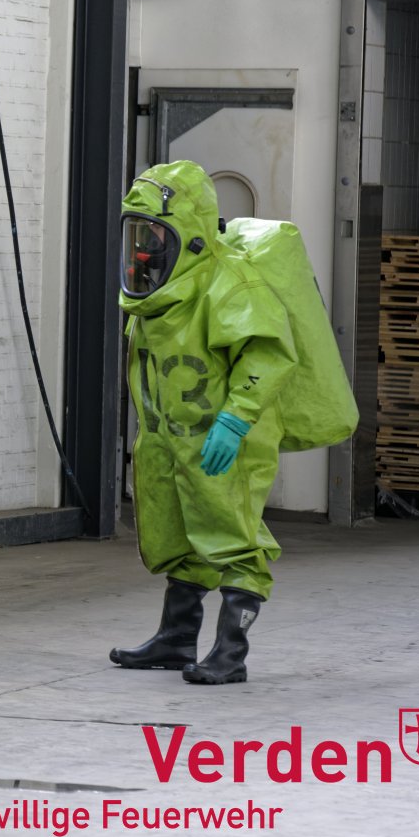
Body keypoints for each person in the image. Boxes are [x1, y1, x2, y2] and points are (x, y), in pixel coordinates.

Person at [110, 160, 297, 685]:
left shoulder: (227, 285)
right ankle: (176, 639)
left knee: (233, 536)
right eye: (139, 234)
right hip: (169, 438)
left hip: (220, 438)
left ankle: (230, 654)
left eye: (155, 235)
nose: (144, 249)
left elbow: (267, 355)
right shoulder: (158, 299)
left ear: (189, 236)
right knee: (178, 531)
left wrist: (235, 421)